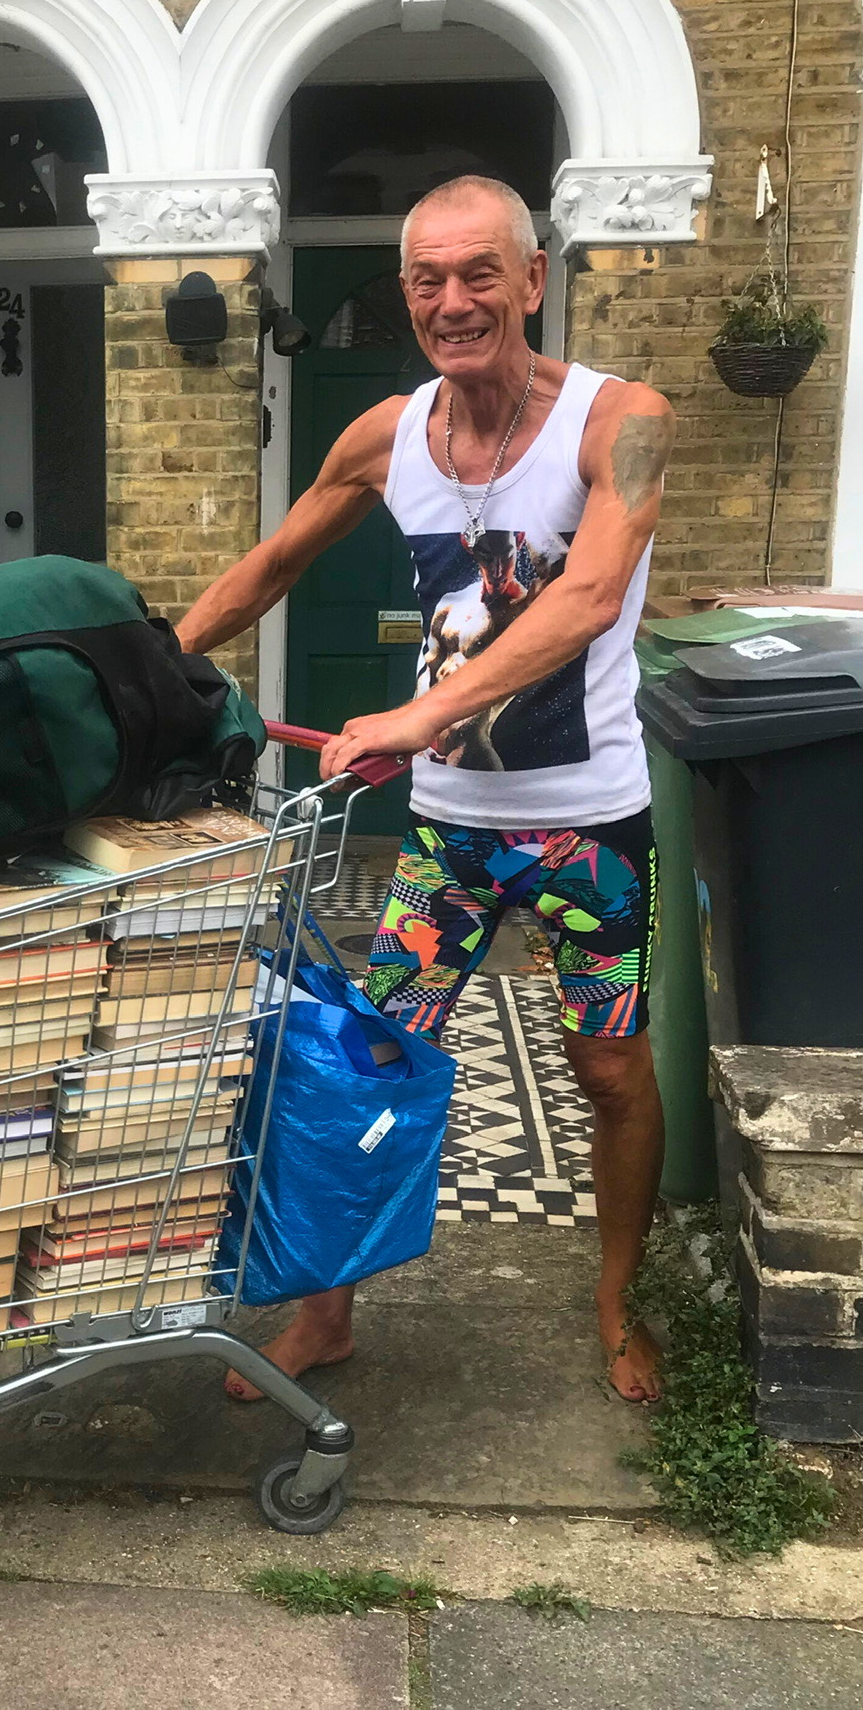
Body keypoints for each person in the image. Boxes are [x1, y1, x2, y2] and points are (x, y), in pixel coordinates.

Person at [176, 174, 672, 1404]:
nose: (452, 301)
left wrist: (421, 714)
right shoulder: (385, 436)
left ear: (532, 280)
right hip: (446, 838)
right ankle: (326, 1317)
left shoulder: (621, 420)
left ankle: (616, 1299)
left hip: (588, 830)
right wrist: (149, 669)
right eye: (426, 280)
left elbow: (586, 597)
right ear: (406, 297)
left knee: (609, 1072)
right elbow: (271, 565)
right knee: (371, 1063)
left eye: (478, 273)